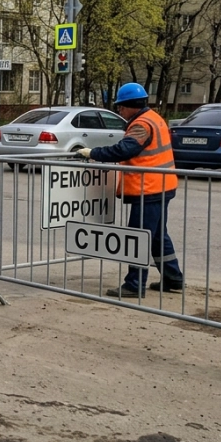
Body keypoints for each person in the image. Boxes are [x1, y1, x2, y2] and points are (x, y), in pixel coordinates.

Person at [76, 83, 183, 298]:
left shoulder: (141, 124)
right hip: (161, 186)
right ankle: (173, 278)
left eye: (121, 107)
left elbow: (124, 150)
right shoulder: (154, 118)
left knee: (137, 238)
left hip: (148, 190)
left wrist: (92, 153)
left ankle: (134, 285)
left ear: (129, 105)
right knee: (157, 236)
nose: (120, 111)